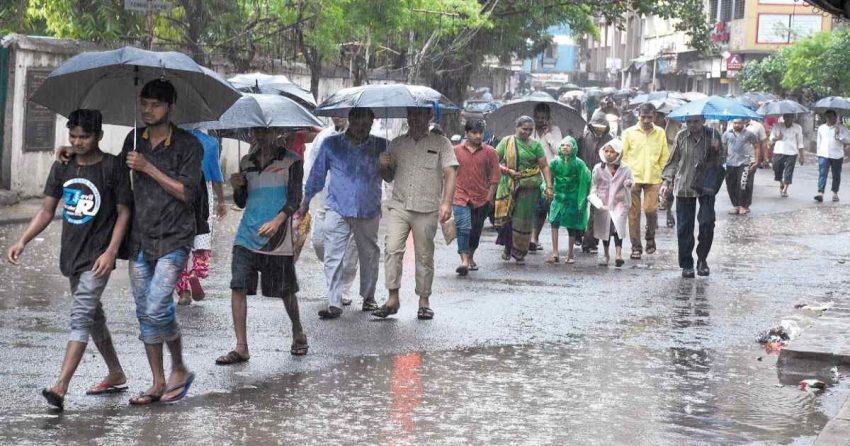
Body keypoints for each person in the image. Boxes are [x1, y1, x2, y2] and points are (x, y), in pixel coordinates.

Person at [6, 109, 131, 410]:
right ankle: (115, 372)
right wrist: (23, 240)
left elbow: (124, 211)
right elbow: (47, 210)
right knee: (93, 317)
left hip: (98, 256)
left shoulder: (113, 167)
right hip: (72, 254)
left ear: (99, 136)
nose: (77, 142)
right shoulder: (62, 166)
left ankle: (60, 386)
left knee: (80, 314)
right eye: (73, 136)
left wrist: (111, 251)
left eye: (84, 136)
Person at [121, 80, 202, 404]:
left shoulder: (188, 145)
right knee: (144, 312)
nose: (147, 110)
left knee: (157, 307)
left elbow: (187, 193)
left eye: (155, 104)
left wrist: (148, 168)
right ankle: (157, 381)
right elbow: (116, 174)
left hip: (174, 237)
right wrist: (72, 152)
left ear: (170, 107)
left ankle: (179, 367)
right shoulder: (133, 139)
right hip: (140, 238)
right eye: (144, 103)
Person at [217, 127, 307, 364]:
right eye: (256, 131)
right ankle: (241, 346)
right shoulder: (247, 161)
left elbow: (295, 198)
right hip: (247, 233)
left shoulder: (292, 161)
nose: (260, 136)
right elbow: (242, 201)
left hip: (276, 237)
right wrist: (238, 186)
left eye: (265, 131)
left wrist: (277, 222)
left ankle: (297, 331)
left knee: (285, 289)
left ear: (277, 132)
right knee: (238, 284)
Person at [300, 108, 387, 318]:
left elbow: (390, 176)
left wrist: (387, 166)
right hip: (337, 206)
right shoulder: (332, 144)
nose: (361, 128)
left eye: (366, 125)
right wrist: (305, 202)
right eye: (357, 123)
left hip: (368, 208)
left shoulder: (381, 146)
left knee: (369, 255)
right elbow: (317, 175)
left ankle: (368, 297)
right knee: (333, 254)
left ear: (372, 123)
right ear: (350, 120)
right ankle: (334, 302)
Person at [373, 107, 458, 320]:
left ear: (429, 116)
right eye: (411, 114)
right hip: (399, 205)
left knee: (424, 255)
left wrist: (446, 203)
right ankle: (392, 298)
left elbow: (451, 172)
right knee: (392, 249)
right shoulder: (397, 144)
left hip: (427, 207)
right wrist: (383, 165)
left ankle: (424, 301)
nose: (415, 119)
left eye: (420, 114)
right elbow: (388, 177)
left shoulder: (441, 143)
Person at [303, 116, 361, 308]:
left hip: (352, 203)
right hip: (325, 198)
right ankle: (335, 272)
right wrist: (306, 194)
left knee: (350, 251)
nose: (338, 116)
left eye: (343, 113)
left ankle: (343, 288)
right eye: (335, 113)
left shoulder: (360, 138)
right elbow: (311, 166)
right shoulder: (323, 137)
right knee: (319, 242)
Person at [661, 116, 723, 278]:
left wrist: (717, 151)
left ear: (703, 121)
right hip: (685, 186)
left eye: (695, 121)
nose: (692, 125)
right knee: (684, 228)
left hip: (706, 186)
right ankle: (686, 264)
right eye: (689, 122)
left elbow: (722, 160)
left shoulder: (714, 135)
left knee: (707, 223)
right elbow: (673, 161)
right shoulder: (681, 136)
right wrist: (666, 181)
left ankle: (702, 260)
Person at [174, 128, 227, 305]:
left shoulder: (173, 139)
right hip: (203, 190)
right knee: (202, 231)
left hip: (178, 189)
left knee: (179, 239)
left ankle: (183, 291)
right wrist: (221, 201)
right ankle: (196, 271)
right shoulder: (210, 143)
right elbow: (216, 174)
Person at [494, 116, 554, 263]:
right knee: (506, 218)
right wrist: (507, 170)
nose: (527, 132)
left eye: (530, 130)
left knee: (522, 219)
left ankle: (519, 251)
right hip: (508, 184)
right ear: (516, 127)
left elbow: (544, 166)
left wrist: (549, 186)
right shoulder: (507, 142)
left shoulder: (536, 146)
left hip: (529, 187)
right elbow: (494, 161)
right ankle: (508, 246)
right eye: (524, 129)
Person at [452, 119, 500, 275]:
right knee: (463, 227)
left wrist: (489, 197)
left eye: (481, 132)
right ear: (466, 133)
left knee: (476, 230)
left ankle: (470, 256)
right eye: (474, 132)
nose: (478, 136)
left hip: (481, 198)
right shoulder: (456, 151)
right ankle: (464, 260)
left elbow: (495, 176)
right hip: (460, 196)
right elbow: (447, 173)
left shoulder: (490, 152)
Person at [621, 103, 669, 260]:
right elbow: (623, 155)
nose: (646, 120)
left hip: (654, 177)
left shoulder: (660, 133)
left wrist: (664, 178)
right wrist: (624, 175)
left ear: (654, 116)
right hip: (632, 178)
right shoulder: (628, 133)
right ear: (638, 116)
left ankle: (650, 237)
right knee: (633, 214)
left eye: (649, 117)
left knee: (650, 210)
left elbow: (664, 156)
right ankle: (636, 247)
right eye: (643, 117)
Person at [545, 136, 591, 265]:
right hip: (558, 198)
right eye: (563, 145)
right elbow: (548, 178)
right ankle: (555, 253)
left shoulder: (579, 164)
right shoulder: (554, 162)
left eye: (568, 145)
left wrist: (581, 199)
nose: (565, 147)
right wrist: (547, 188)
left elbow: (585, 180)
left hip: (572, 198)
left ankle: (570, 253)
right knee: (554, 222)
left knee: (571, 226)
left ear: (574, 148)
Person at [589, 139, 634, 267]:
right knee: (605, 229)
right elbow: (594, 187)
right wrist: (596, 201)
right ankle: (606, 254)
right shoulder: (598, 168)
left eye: (612, 152)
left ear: (618, 153)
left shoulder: (625, 168)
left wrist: (629, 183)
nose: (608, 154)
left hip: (620, 202)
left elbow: (631, 180)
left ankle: (619, 254)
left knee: (617, 227)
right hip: (603, 203)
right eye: (606, 151)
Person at [577, 109, 613, 253]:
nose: (598, 130)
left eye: (601, 127)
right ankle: (578, 234)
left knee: (595, 209)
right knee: (580, 206)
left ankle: (590, 241)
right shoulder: (584, 138)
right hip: (584, 176)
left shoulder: (610, 140)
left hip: (601, 179)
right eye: (596, 127)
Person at [530, 102, 563, 251]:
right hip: (532, 173)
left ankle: (537, 238)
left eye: (544, 118)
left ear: (549, 118)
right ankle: (532, 237)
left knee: (546, 207)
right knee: (535, 207)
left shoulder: (555, 130)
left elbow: (559, 151)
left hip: (551, 174)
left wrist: (548, 136)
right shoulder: (529, 130)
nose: (541, 120)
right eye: (538, 117)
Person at [723, 119, 760, 215]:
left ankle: (744, 206)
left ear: (743, 123)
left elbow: (756, 146)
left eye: (739, 123)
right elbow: (723, 148)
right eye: (735, 123)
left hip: (745, 163)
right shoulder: (727, 134)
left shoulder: (749, 134)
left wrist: (756, 161)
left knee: (743, 184)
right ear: (732, 123)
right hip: (730, 163)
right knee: (731, 185)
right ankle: (736, 205)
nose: (737, 125)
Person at [815, 110, 850, 202]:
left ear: (835, 117)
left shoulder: (842, 128)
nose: (829, 118)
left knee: (836, 175)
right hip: (823, 154)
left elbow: (848, 140)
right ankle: (820, 193)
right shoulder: (821, 128)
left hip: (837, 155)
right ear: (825, 117)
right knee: (822, 174)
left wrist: (839, 134)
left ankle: (835, 193)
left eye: (831, 116)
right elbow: (819, 142)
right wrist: (818, 154)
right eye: (828, 117)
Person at [654, 111, 681, 229]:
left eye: (659, 116)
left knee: (669, 191)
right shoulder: (649, 127)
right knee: (653, 191)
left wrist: (667, 139)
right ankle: (653, 218)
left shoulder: (674, 124)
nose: (656, 119)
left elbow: (679, 140)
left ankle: (669, 213)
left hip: (670, 161)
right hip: (654, 162)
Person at [770, 113, 805, 198]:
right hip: (779, 151)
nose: (788, 119)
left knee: (789, 171)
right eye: (787, 117)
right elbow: (771, 139)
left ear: (793, 118)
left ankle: (785, 189)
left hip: (792, 152)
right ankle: (781, 182)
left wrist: (801, 156)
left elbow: (800, 142)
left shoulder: (797, 128)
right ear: (784, 117)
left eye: (790, 117)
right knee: (776, 167)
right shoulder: (777, 126)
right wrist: (777, 138)